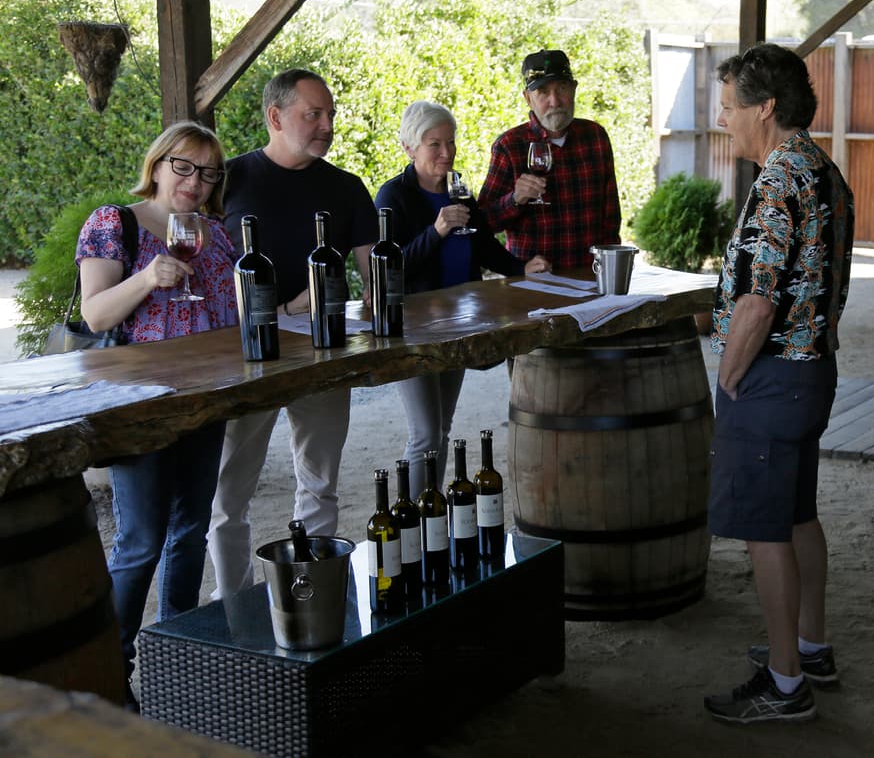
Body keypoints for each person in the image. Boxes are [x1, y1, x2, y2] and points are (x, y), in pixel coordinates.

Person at [701, 43, 855, 725]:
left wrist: (729, 373)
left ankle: (786, 683)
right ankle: (811, 646)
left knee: (766, 531)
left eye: (729, 107)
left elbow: (758, 302)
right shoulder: (823, 170)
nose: (723, 119)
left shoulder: (775, 183)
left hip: (769, 379)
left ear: (765, 108)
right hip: (812, 371)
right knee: (797, 515)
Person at [76, 121, 239, 709]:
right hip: (139, 404)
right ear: (158, 164)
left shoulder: (217, 234)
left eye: (208, 172)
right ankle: (111, 673)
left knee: (190, 532)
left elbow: (229, 311)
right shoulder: (113, 223)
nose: (196, 181)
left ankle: (178, 661)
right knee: (142, 541)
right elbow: (96, 315)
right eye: (184, 166)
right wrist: (149, 276)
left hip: (204, 399)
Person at [208, 68, 378, 598]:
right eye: (314, 114)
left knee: (321, 482)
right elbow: (201, 271)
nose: (327, 125)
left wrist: (366, 308)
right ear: (275, 117)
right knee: (228, 494)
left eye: (330, 114)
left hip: (322, 348)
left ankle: (313, 592)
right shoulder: (227, 179)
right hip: (245, 354)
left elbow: (375, 282)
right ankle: (232, 602)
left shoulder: (347, 187)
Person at [375, 101, 549, 494]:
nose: (446, 152)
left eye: (450, 142)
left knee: (441, 429)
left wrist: (521, 268)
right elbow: (389, 268)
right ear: (409, 147)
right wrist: (436, 231)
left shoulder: (458, 189)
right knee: (424, 433)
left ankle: (432, 510)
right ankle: (415, 517)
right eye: (435, 144)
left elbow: (484, 245)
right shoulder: (393, 196)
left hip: (457, 323)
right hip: (414, 328)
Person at [477, 49, 620, 269]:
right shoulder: (509, 146)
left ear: (574, 89)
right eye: (543, 92)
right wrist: (515, 199)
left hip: (590, 275)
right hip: (535, 280)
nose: (555, 101)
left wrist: (611, 267)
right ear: (528, 98)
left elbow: (611, 217)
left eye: (561, 88)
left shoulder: (595, 137)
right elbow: (483, 223)